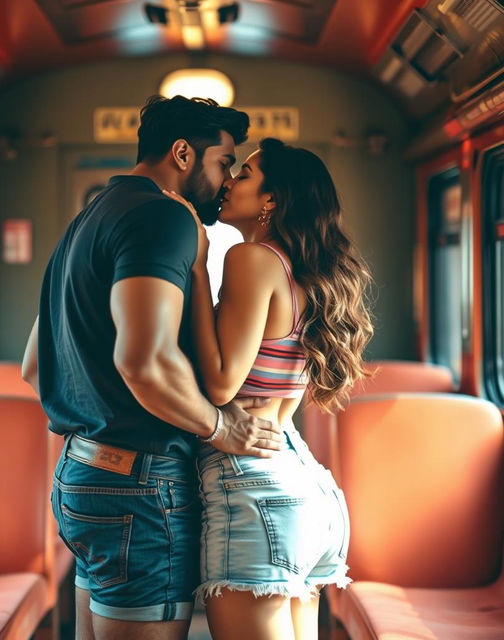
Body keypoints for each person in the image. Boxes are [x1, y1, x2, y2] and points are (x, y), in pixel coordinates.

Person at [21, 96, 285, 640]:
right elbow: (145, 361)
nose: (228, 178)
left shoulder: (88, 219)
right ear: (183, 154)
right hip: (138, 488)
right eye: (222, 163)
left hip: (80, 477)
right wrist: (221, 427)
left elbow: (33, 367)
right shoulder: (165, 216)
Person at [163, 137, 374, 640]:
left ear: (271, 200)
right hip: (304, 486)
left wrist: (196, 264)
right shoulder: (307, 269)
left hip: (253, 489)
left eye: (247, 174)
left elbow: (219, 384)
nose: (230, 180)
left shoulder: (251, 259)